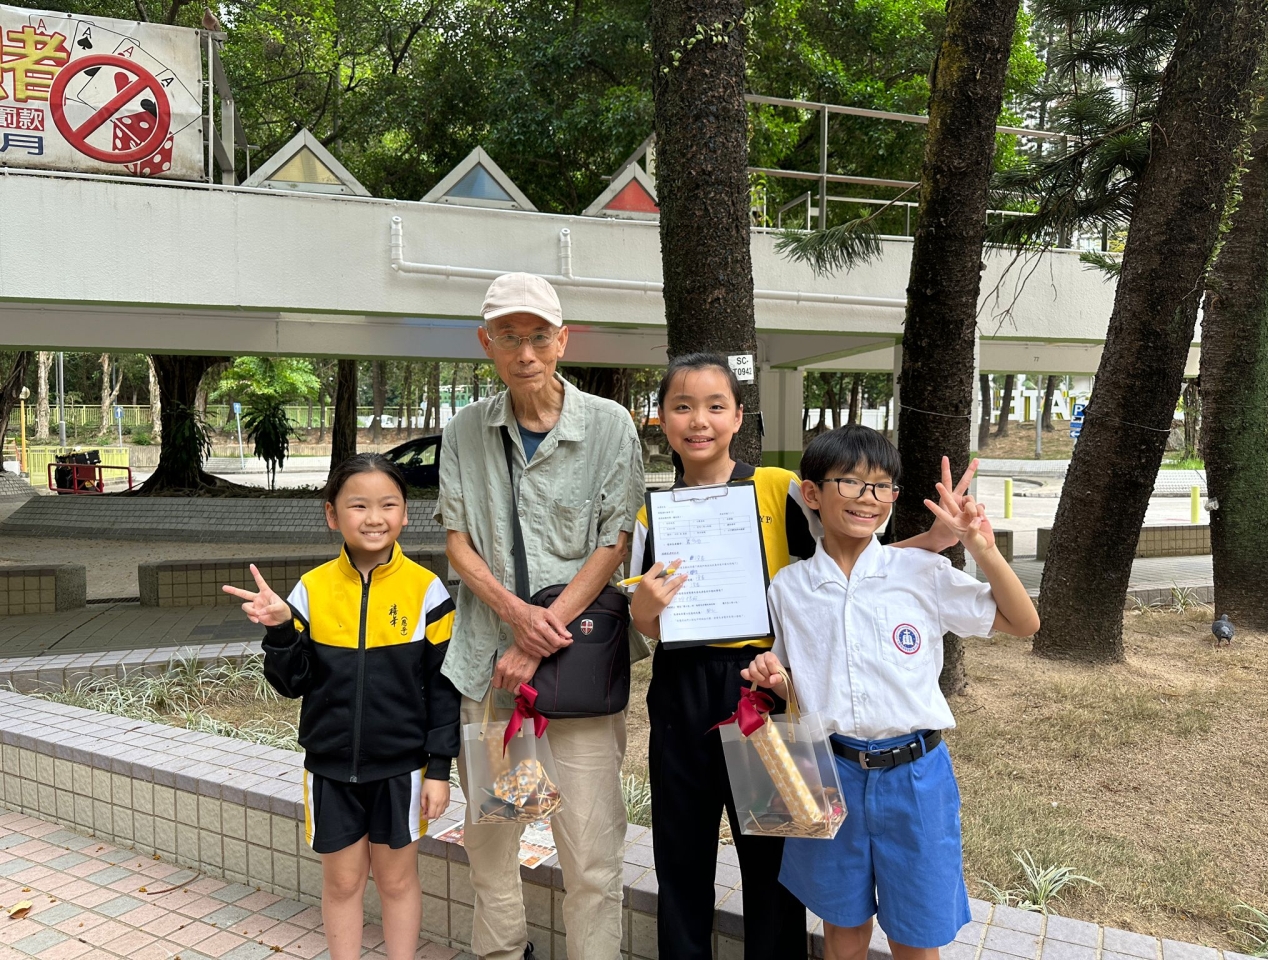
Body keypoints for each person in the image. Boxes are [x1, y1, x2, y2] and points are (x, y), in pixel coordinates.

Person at [628, 354, 982, 960]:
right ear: (661, 418)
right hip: (682, 685)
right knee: (681, 848)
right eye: (682, 407)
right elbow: (649, 620)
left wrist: (934, 541)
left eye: (715, 406)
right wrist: (643, 611)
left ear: (739, 416)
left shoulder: (779, 487)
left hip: (770, 683)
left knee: (776, 849)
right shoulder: (653, 513)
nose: (699, 420)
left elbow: (851, 555)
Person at [741, 425, 1040, 960]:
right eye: (851, 483)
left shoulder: (922, 572)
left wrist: (983, 549)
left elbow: (1023, 622)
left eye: (882, 486)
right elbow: (800, 682)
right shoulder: (789, 588)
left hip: (917, 777)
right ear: (812, 493)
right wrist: (776, 678)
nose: (869, 498)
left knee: (915, 936)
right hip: (829, 771)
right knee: (842, 931)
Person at [435, 272, 645, 960]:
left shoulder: (609, 426)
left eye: (537, 336)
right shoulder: (464, 430)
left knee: (590, 852)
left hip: (578, 677)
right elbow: (458, 542)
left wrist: (535, 636)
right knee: (494, 839)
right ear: (486, 343)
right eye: (508, 336)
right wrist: (514, 615)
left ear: (562, 340)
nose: (524, 352)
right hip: (490, 676)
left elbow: (614, 542)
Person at [221, 453, 461, 960]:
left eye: (388, 505)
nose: (374, 518)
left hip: (402, 768)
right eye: (358, 505)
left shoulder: (427, 590)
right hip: (330, 768)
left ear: (406, 514)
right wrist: (281, 630)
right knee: (343, 883)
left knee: (398, 882)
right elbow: (291, 683)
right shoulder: (311, 589)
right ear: (332, 514)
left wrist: (439, 769)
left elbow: (443, 689)